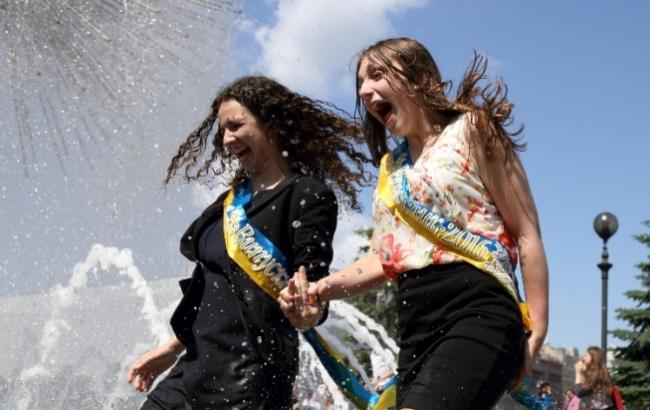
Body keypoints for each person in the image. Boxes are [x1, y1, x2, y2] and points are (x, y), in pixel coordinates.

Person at [279, 37, 549, 409]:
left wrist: (537, 327)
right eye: (360, 84)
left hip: (479, 310)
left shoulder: (473, 129)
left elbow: (526, 232)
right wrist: (319, 290)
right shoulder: (392, 170)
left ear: (418, 76)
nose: (365, 90)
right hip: (415, 328)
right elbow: (383, 258)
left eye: (376, 75)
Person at [127, 75, 370, 409]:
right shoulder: (229, 204)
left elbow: (312, 287)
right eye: (222, 130)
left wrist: (308, 312)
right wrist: (172, 348)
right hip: (191, 371)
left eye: (236, 126)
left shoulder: (306, 194)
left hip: (251, 379)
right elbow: (211, 287)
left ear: (270, 123)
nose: (227, 139)